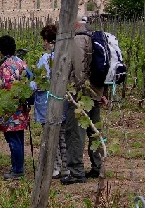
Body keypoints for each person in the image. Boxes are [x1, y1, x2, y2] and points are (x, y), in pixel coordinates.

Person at [61, 16, 106, 185]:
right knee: (95, 132)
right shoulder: (93, 37)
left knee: (75, 133)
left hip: (81, 95)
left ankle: (76, 172)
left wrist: (77, 91)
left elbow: (79, 69)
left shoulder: (78, 40)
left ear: (75, 24)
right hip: (95, 92)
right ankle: (98, 166)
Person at [32, 24, 69, 179]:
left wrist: (29, 86)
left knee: (49, 135)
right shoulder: (65, 56)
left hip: (47, 102)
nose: (43, 43)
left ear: (48, 41)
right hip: (63, 102)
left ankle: (55, 168)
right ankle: (66, 168)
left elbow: (40, 83)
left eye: (44, 40)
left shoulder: (46, 58)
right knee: (61, 136)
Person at [0, 35, 30, 180]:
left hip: (11, 109)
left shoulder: (6, 66)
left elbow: (8, 87)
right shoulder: (21, 62)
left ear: (1, 50)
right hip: (22, 107)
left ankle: (17, 170)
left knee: (13, 139)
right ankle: (17, 166)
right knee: (19, 138)